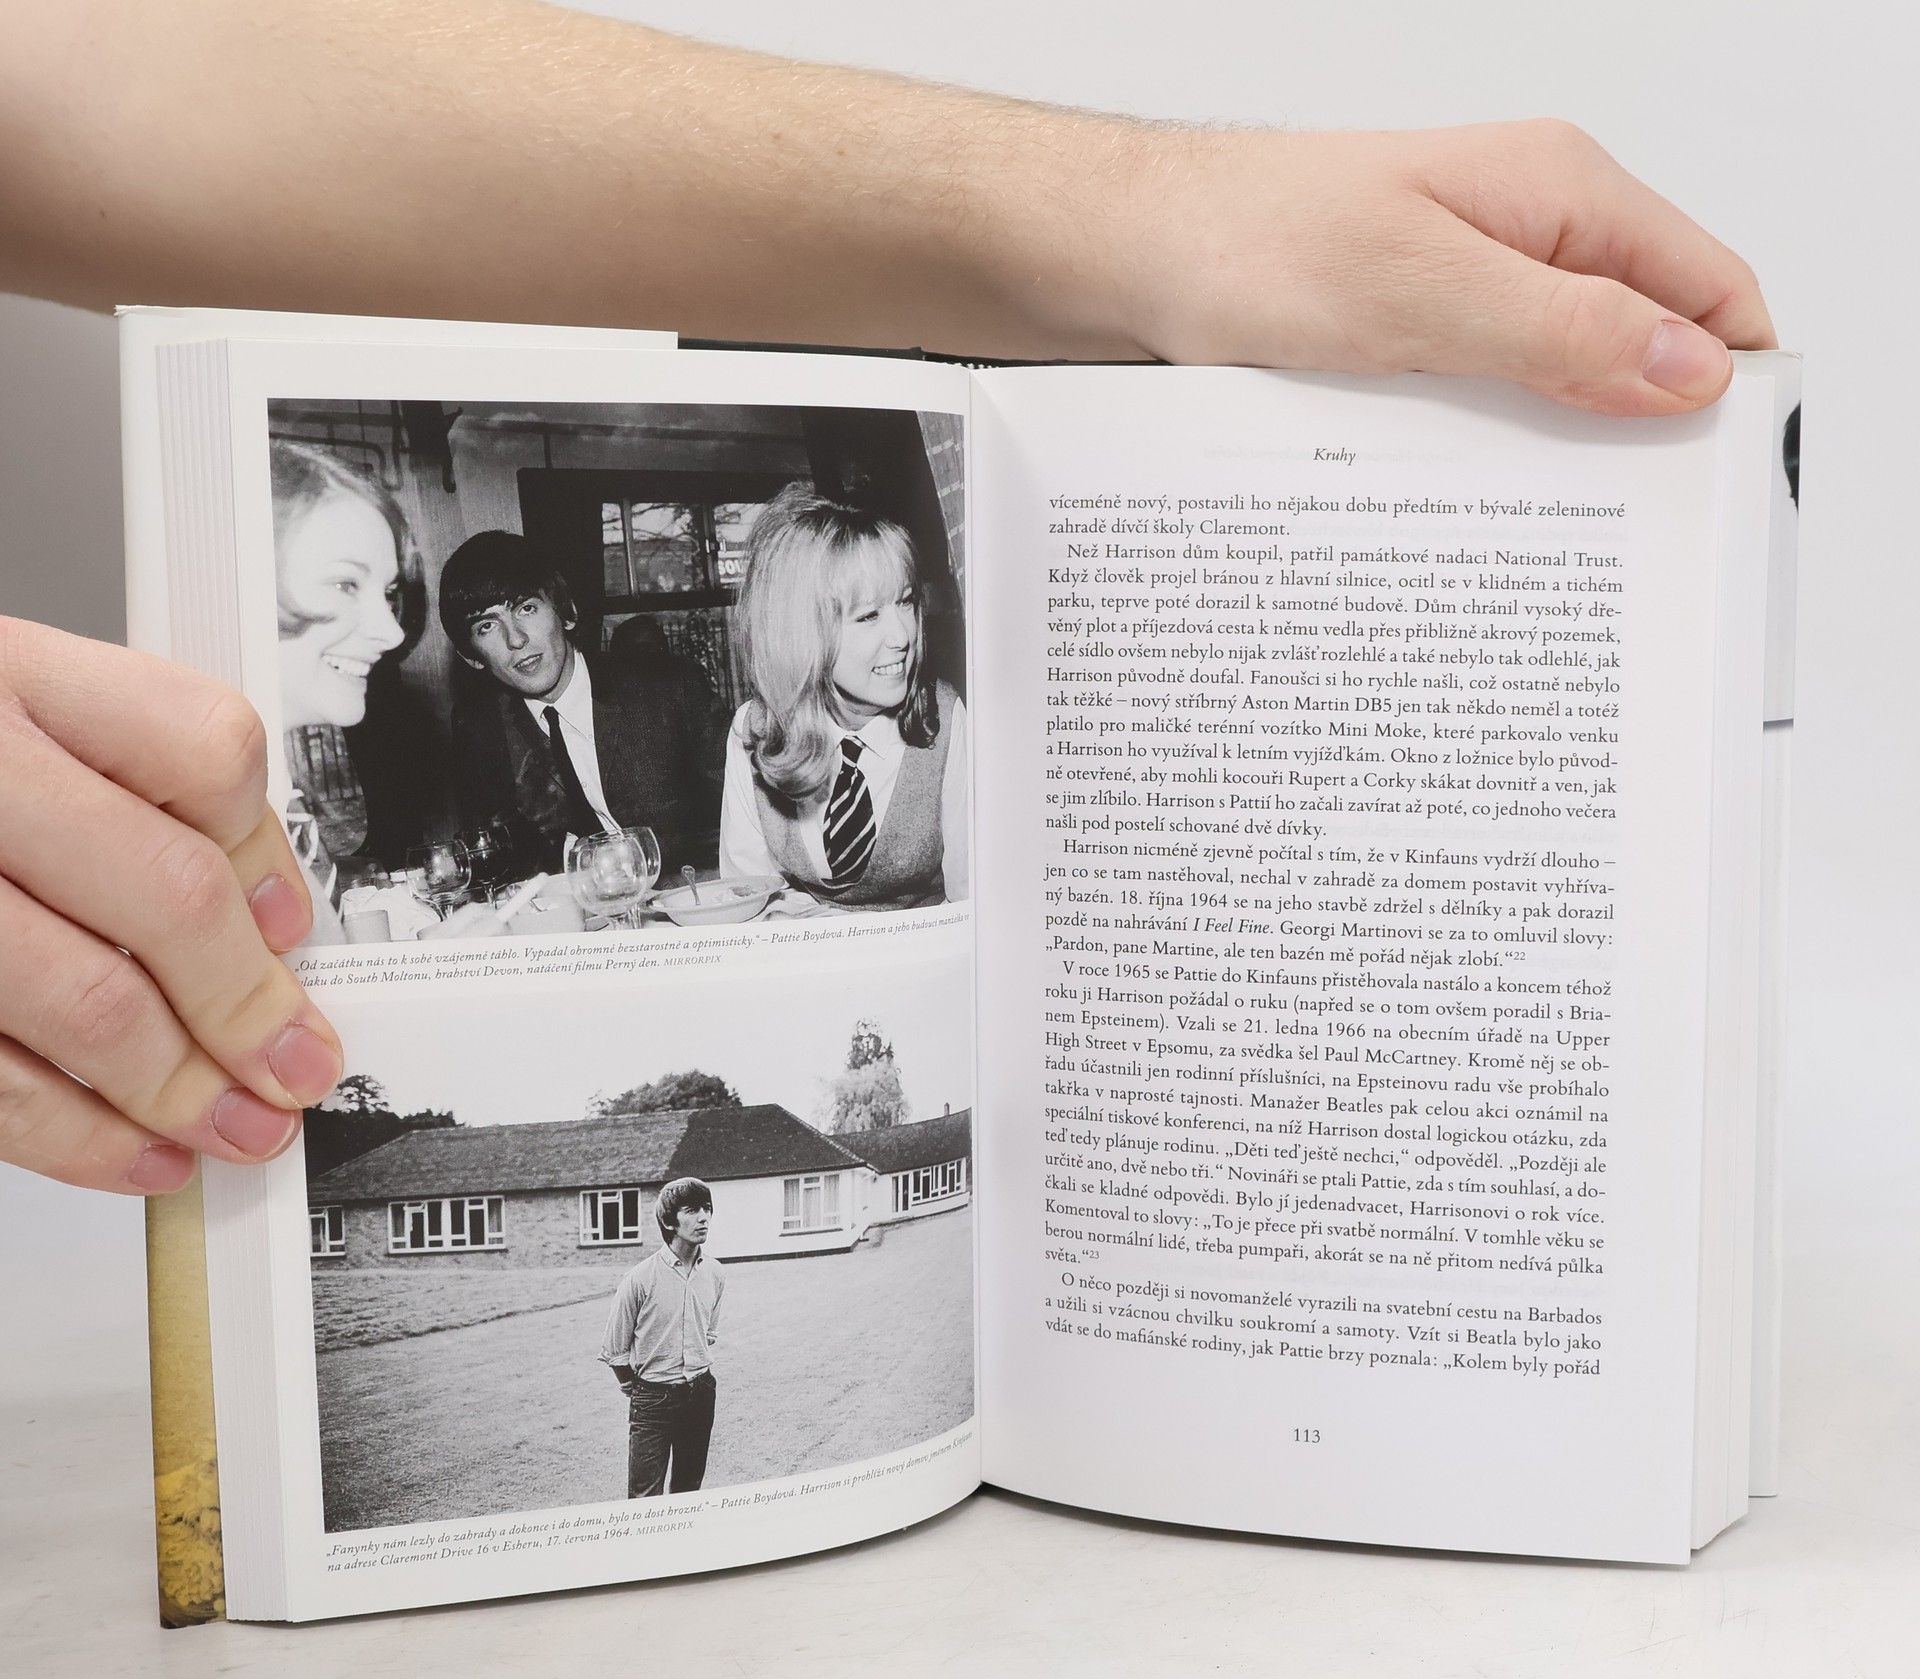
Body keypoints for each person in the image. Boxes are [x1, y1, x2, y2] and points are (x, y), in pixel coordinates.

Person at [0, 0, 1776, 1195]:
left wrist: (1160, 209)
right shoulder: (723, 740)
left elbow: (118, 85)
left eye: (904, 605)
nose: (899, 637)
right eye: (859, 614)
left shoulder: (912, 722)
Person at [720, 484, 967, 909]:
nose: (902, 636)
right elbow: (748, 898)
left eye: (905, 602)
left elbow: (971, 900)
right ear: (804, 633)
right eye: (869, 615)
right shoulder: (755, 728)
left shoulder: (944, 715)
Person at [440, 531, 725, 874]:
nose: (515, 639)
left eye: (526, 608)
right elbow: (496, 860)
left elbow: (741, 818)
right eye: (487, 626)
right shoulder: (480, 729)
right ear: (472, 657)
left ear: (567, 612)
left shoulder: (670, 690)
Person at [271, 442, 424, 939]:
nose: (394, 634)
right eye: (345, 585)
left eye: (388, 593)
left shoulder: (270, 796)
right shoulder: (187, 818)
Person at [598, 1178, 725, 1499]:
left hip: (700, 1393)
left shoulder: (715, 1273)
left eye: (707, 1208)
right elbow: (614, 1350)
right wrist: (639, 1389)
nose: (704, 1218)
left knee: (688, 1491)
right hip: (653, 1399)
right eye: (692, 1210)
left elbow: (707, 1334)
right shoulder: (640, 1278)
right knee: (645, 1499)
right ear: (670, 1222)